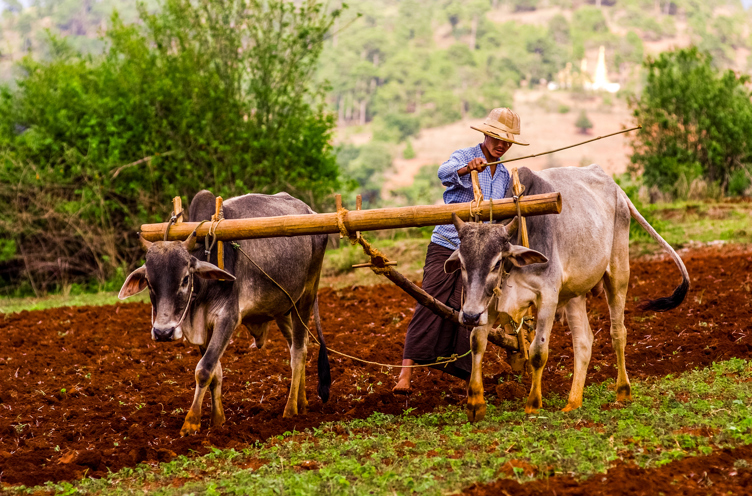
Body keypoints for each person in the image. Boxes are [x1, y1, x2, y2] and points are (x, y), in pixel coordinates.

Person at [393, 107, 529, 394]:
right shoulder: (464, 156)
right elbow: (443, 172)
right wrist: (468, 168)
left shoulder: (504, 174)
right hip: (448, 244)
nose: (501, 145)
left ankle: (468, 376)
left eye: (507, 141)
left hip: (480, 255)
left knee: (471, 307)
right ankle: (404, 376)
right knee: (428, 301)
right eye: (497, 138)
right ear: (485, 134)